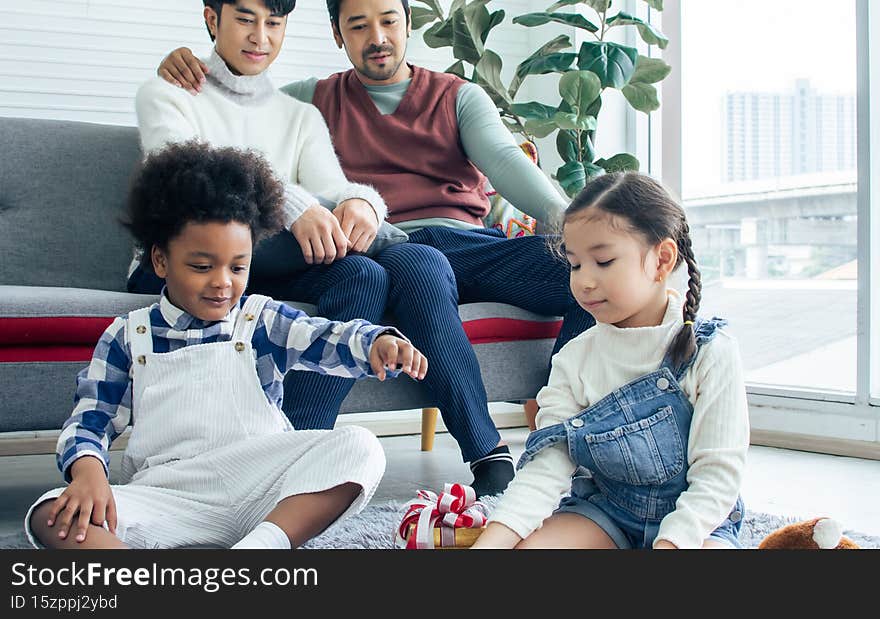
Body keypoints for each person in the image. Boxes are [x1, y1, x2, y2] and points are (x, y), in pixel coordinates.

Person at [156, 0, 598, 497]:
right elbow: (235, 122)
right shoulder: (312, 100)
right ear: (337, 34)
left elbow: (508, 165)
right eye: (359, 25)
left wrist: (582, 229)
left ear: (409, 24)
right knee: (420, 262)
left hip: (469, 244)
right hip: (391, 246)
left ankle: (565, 434)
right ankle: (488, 454)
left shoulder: (458, 97)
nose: (378, 37)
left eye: (389, 20)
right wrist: (187, 71)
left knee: (591, 270)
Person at [25, 142, 427, 550]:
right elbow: (89, 420)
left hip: (264, 491)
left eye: (238, 267)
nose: (223, 282)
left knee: (360, 446)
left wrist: (377, 342)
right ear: (160, 261)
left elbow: (326, 337)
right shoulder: (127, 336)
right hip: (171, 497)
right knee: (50, 513)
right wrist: (88, 471)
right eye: (202, 267)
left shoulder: (261, 319)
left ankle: (261, 547)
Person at [130, 0, 406, 479]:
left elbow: (335, 188)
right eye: (244, 19)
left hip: (272, 266)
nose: (261, 36)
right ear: (212, 19)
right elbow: (191, 185)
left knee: (363, 272)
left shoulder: (299, 116)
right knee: (404, 254)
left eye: (274, 23)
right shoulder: (168, 91)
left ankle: (292, 453)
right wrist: (295, 205)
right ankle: (406, 244)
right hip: (186, 264)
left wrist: (362, 205)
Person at [472, 172, 750, 549]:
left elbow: (717, 478)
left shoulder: (712, 351)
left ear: (661, 259)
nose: (584, 281)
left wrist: (671, 544)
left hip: (699, 523)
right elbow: (547, 466)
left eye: (603, 261)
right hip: (604, 512)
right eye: (574, 264)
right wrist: (490, 544)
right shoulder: (575, 357)